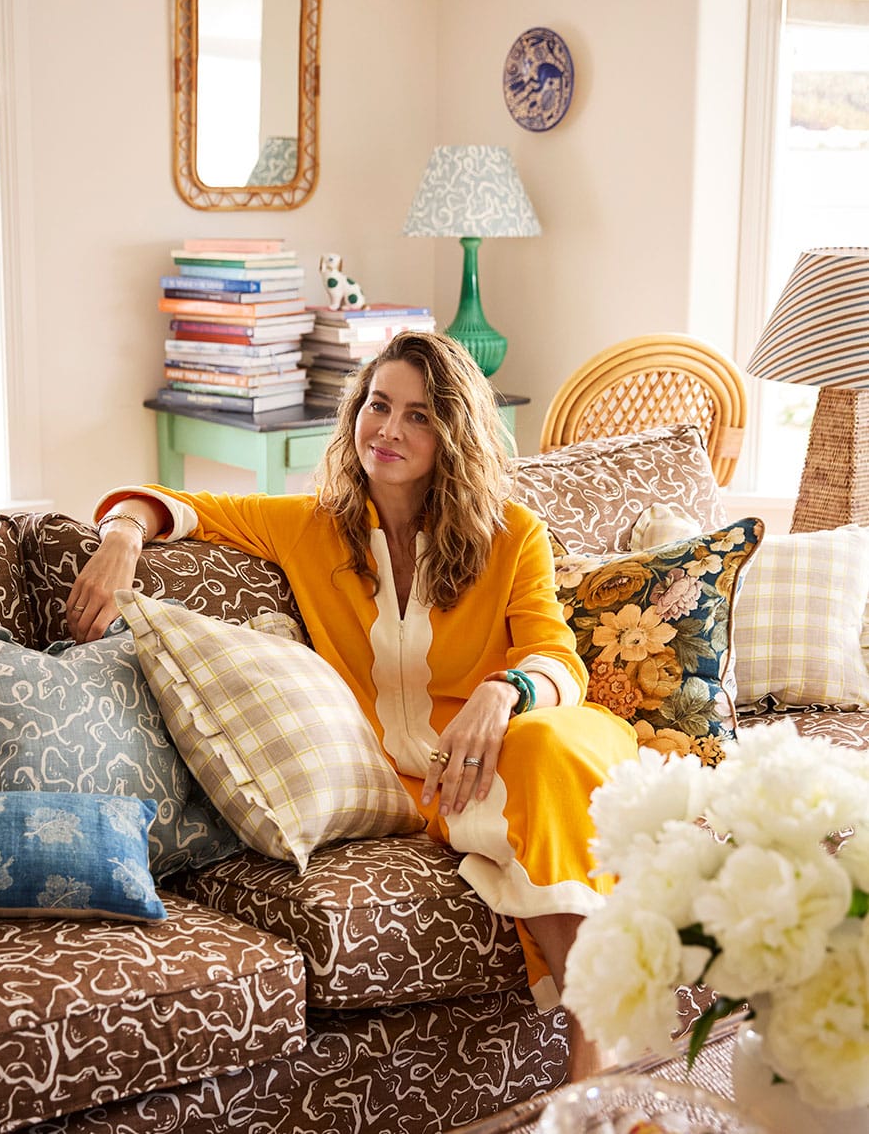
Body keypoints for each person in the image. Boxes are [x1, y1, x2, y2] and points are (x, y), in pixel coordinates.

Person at [67, 330, 638, 1081]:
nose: (390, 430)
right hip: (423, 791)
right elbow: (175, 502)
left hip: (530, 751)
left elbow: (558, 658)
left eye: (420, 415)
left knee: (542, 755)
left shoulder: (511, 535)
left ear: (454, 433)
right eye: (379, 405)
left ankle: (590, 1065)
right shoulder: (309, 527)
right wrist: (120, 537)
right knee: (500, 815)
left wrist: (506, 691)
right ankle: (606, 1058)